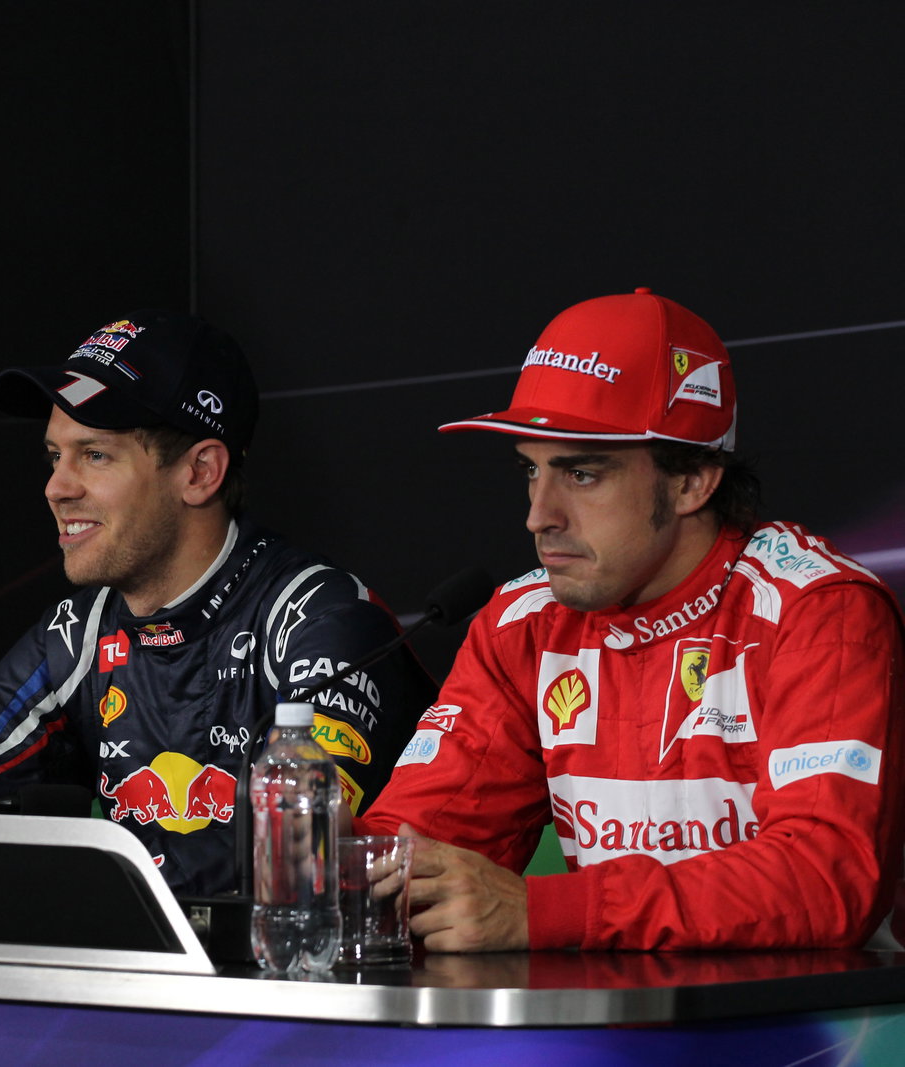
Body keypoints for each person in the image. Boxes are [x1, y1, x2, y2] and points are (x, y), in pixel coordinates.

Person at [359, 289, 905, 951]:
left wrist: (548, 911)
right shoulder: (522, 625)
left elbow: (825, 877)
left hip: (814, 1040)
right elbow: (418, 845)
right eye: (530, 472)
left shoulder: (817, 612)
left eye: (581, 473)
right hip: (617, 1036)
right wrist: (331, 857)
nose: (539, 515)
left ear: (692, 481)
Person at [0, 310, 435, 897]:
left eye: (94, 454)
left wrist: (81, 884)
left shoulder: (320, 618)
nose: (56, 487)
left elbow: (300, 840)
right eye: (54, 456)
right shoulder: (80, 634)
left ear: (200, 472)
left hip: (319, 978)